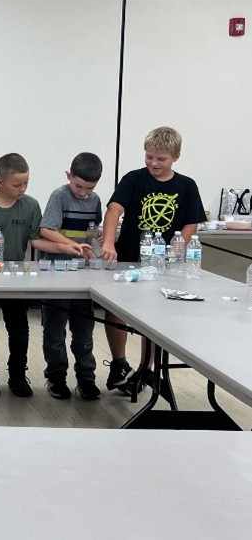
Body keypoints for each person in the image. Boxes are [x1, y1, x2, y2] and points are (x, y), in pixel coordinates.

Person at [0, 153, 85, 397]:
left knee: (19, 328)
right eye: (16, 185)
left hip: (14, 276)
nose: (22, 189)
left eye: (26, 183)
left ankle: (18, 375)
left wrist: (65, 247)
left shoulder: (30, 205)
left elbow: (36, 240)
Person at [101, 126, 206, 393]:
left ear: (176, 157)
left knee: (153, 316)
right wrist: (109, 242)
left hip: (163, 264)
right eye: (149, 157)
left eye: (161, 159)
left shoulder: (186, 185)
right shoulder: (133, 179)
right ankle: (118, 363)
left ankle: (146, 368)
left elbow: (191, 223)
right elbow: (114, 210)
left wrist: (177, 247)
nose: (154, 163)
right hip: (128, 258)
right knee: (115, 310)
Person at [37, 153, 104, 401]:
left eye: (89, 188)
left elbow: (92, 231)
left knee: (84, 332)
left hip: (82, 275)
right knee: (55, 331)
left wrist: (99, 240)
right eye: (78, 186)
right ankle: (56, 377)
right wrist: (69, 244)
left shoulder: (95, 200)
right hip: (56, 273)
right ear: (69, 176)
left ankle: (86, 379)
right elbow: (46, 229)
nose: (83, 193)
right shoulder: (59, 196)